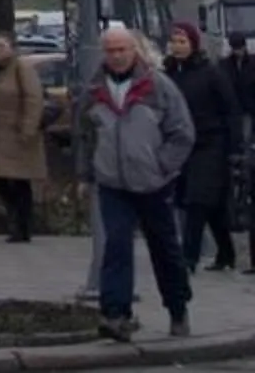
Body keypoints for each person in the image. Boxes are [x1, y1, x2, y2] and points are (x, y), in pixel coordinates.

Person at [83, 22, 194, 340]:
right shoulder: (95, 90)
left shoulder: (157, 86)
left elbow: (182, 133)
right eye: (111, 50)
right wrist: (86, 171)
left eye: (122, 49)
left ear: (134, 50)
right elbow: (83, 133)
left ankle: (177, 307)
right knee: (116, 245)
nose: (117, 56)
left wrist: (163, 166)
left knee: (165, 248)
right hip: (113, 183)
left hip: (153, 182)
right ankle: (115, 313)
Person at [165, 22, 237, 274]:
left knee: (197, 199)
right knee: (211, 204)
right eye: (174, 41)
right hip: (181, 144)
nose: (177, 47)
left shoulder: (211, 73)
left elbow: (230, 109)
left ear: (193, 44)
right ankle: (226, 253)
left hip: (210, 143)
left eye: (182, 42)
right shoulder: (170, 74)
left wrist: (234, 147)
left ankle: (188, 258)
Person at [0, 34, 47, 244]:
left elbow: (33, 98)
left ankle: (23, 226)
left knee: (20, 179)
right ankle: (16, 216)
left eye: (2, 45)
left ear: (12, 48)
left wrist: (28, 128)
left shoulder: (21, 69)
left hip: (18, 134)